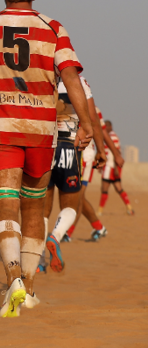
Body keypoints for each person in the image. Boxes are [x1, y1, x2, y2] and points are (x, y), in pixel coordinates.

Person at [0, 0, 93, 317]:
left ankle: (13, 282)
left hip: (1, 130)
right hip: (41, 133)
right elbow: (70, 78)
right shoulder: (54, 29)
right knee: (34, 208)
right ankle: (30, 288)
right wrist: (87, 124)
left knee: (4, 208)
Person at [42, 75, 106, 272]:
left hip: (44, 149)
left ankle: (37, 262)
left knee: (41, 210)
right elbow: (92, 120)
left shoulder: (41, 75)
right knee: (71, 205)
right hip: (70, 148)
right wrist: (102, 151)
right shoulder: (80, 81)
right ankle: (56, 235)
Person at [64, 104, 113, 241]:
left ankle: (67, 233)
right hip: (68, 152)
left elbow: (100, 130)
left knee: (77, 196)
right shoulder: (64, 101)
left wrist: (111, 152)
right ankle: (98, 227)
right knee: (77, 196)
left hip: (85, 155)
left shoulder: (92, 107)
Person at [98, 121, 133, 216]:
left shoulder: (112, 136)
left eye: (105, 126)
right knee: (118, 188)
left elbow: (116, 152)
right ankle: (129, 208)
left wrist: (116, 168)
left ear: (109, 126)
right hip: (109, 166)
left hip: (111, 167)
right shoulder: (111, 135)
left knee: (105, 188)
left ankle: (100, 211)